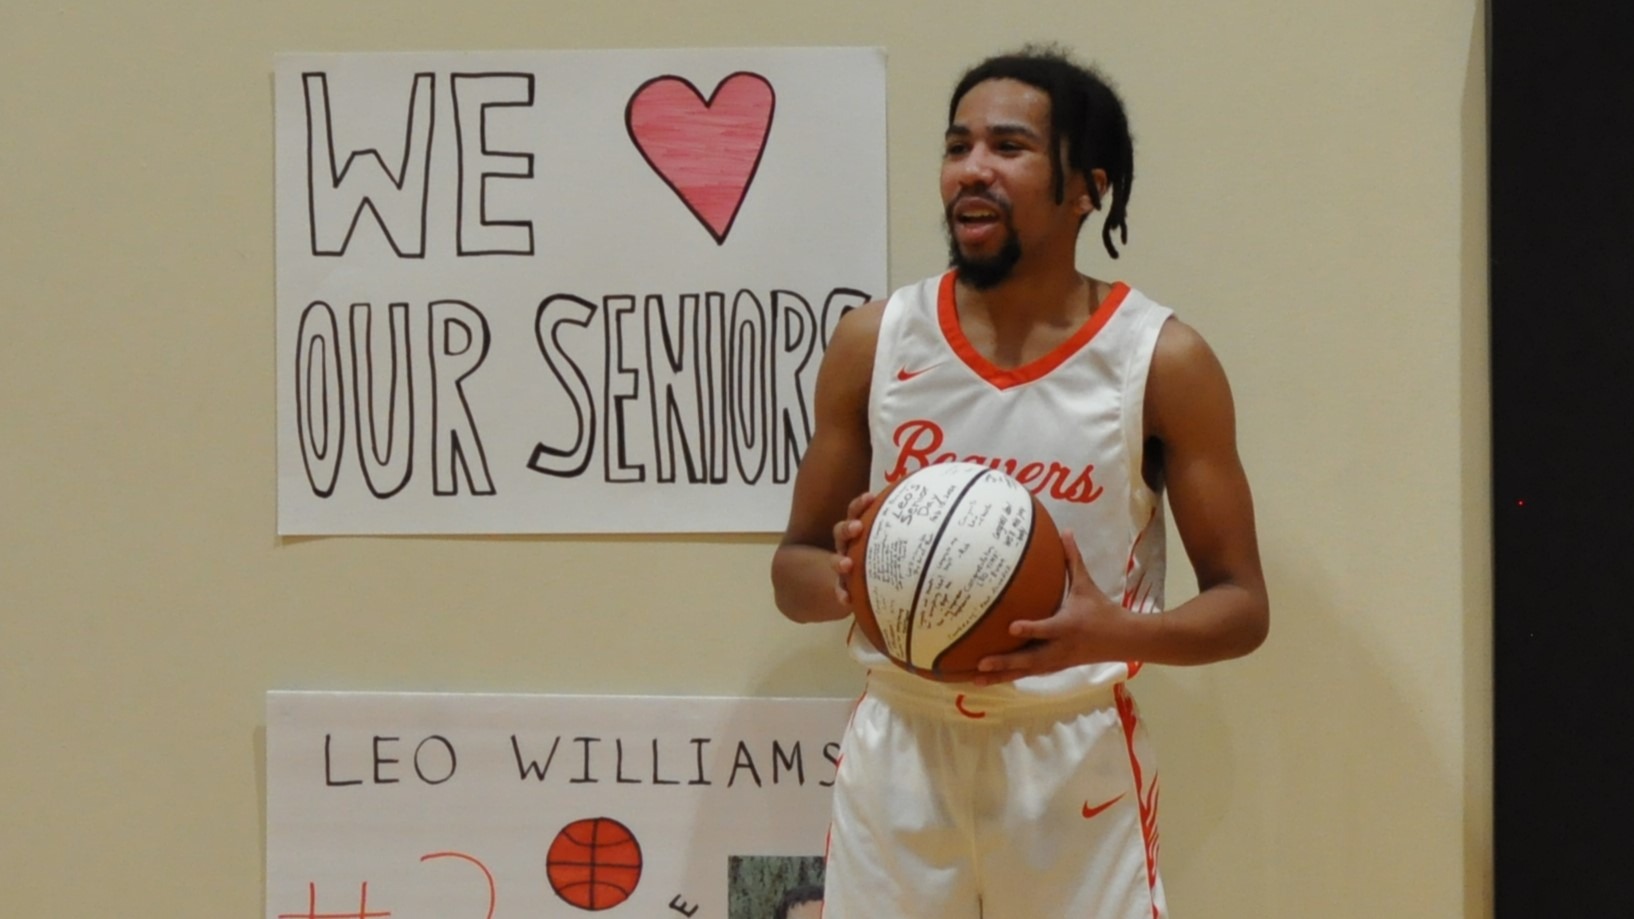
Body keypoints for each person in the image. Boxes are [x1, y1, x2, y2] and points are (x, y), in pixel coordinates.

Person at [770, 45, 1269, 918]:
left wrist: (1106, 632)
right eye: (957, 145)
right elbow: (793, 571)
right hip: (901, 746)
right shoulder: (873, 342)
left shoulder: (1161, 360)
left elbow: (1241, 605)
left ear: (1088, 188)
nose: (973, 169)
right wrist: (850, 584)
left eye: (1009, 147)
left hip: (1069, 751)